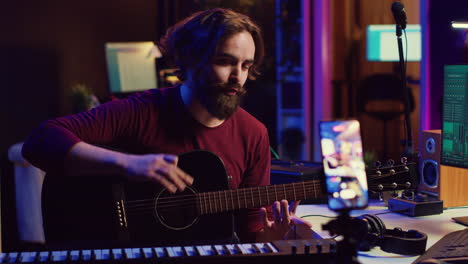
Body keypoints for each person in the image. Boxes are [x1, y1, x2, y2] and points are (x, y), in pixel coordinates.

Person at [22, 8, 312, 244]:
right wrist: (127, 164)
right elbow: (40, 141)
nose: (238, 76)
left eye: (246, 65)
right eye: (225, 62)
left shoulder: (253, 134)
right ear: (189, 59)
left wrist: (269, 237)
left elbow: (249, 232)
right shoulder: (142, 111)